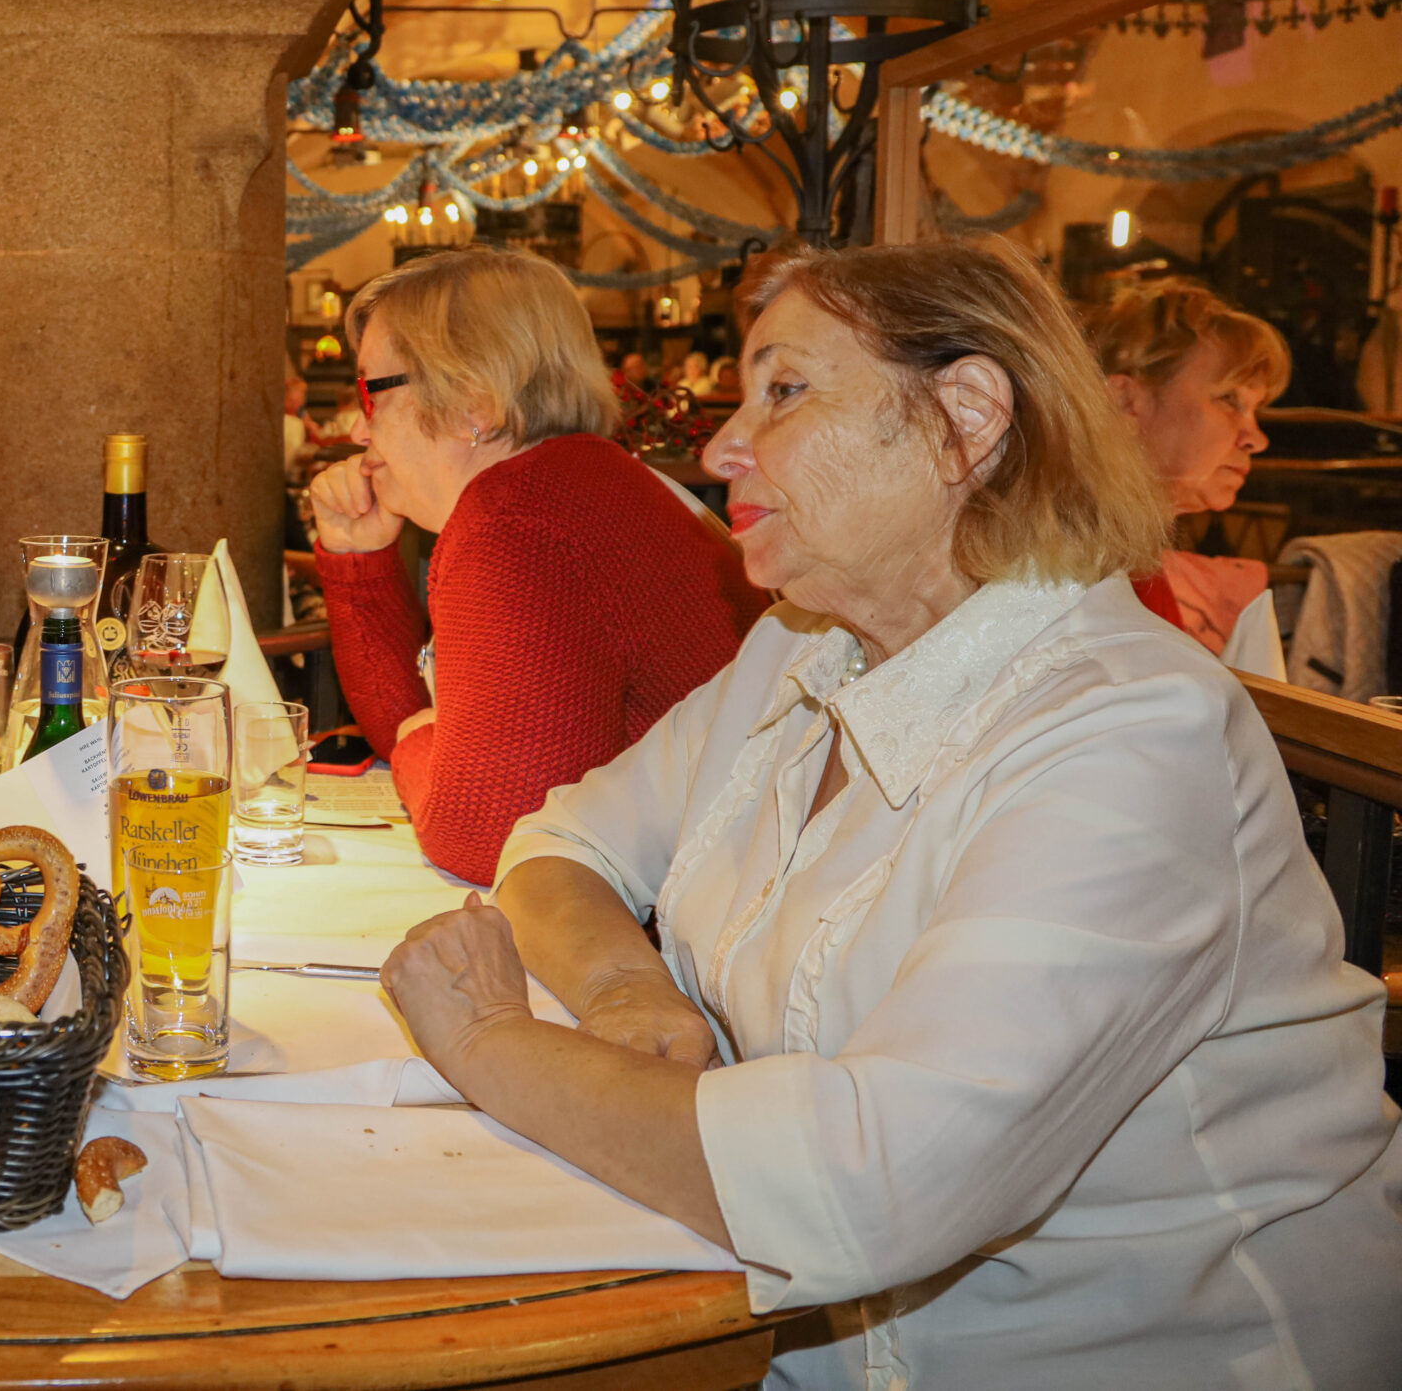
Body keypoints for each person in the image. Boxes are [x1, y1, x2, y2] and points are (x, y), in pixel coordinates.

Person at [384, 238, 1402, 1389]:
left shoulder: (1131, 731)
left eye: (783, 391)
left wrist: (488, 1041)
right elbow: (558, 842)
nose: (720, 447)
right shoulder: (798, 649)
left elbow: (875, 1187)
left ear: (964, 419)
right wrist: (624, 991)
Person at [308, 247, 771, 884]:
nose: (361, 432)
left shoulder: (519, 522)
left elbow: (493, 843)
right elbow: (414, 731)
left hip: (677, 927)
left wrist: (421, 740)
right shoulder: (576, 482)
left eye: (371, 393)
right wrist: (358, 558)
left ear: (473, 405)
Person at [1086, 277, 1291, 677]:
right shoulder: (1075, 558)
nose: (1256, 439)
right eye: (1229, 399)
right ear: (1125, 401)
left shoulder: (1130, 549)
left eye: (1255, 410)